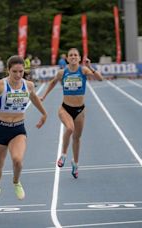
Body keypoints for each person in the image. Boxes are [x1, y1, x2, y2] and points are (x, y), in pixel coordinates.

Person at [0, 55, 47, 212]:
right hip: (1, 129)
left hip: (18, 129)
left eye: (21, 71)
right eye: (15, 71)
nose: (18, 75)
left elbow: (34, 98)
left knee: (18, 160)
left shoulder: (28, 85)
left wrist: (44, 114)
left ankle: (16, 182)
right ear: (8, 70)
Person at [40, 48, 103, 179]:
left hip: (80, 110)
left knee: (77, 138)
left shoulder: (83, 70)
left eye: (75, 55)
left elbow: (100, 79)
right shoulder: (62, 73)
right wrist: (43, 96)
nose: (73, 57)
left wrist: (90, 66)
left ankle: (75, 163)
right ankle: (63, 155)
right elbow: (52, 83)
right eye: (71, 55)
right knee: (70, 128)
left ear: (79, 58)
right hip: (65, 108)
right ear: (67, 59)